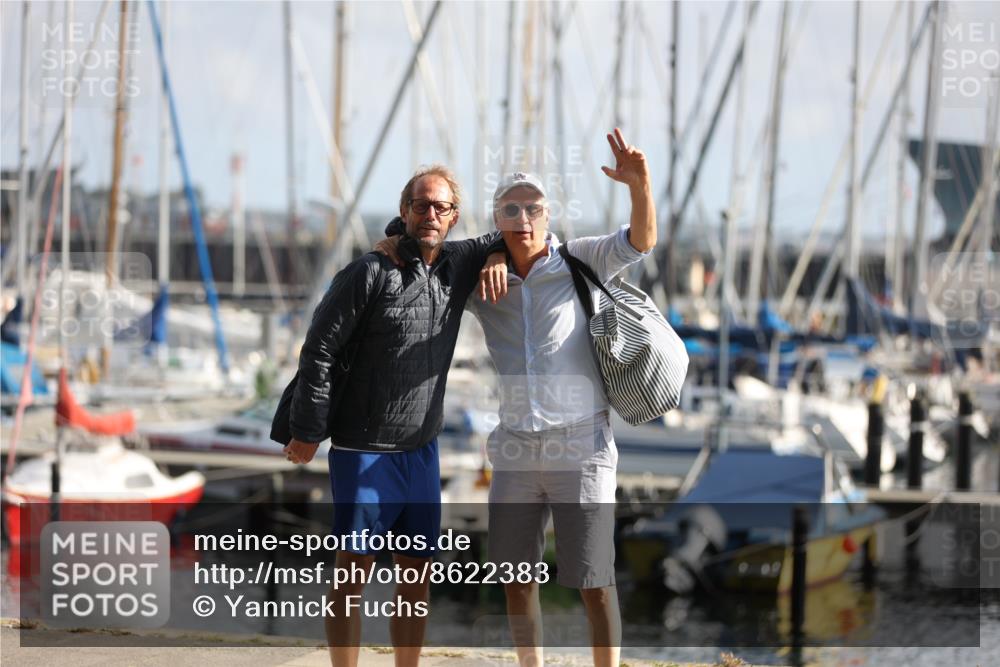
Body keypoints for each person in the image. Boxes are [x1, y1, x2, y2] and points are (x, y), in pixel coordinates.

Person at [379, 128, 656, 667]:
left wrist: (640, 186)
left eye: (533, 208)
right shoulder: (484, 277)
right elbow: (428, 242)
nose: (523, 219)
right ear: (498, 221)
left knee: (594, 580)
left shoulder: (581, 259)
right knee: (514, 578)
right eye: (511, 210)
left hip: (583, 445)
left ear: (547, 217)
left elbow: (641, 241)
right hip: (515, 450)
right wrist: (396, 238)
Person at [282, 164, 507, 667]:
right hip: (365, 450)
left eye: (441, 207)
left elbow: (517, 228)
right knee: (351, 574)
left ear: (453, 217)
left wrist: (494, 253)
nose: (430, 214)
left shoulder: (459, 262)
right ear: (404, 212)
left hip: (422, 452)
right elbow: (318, 349)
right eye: (421, 205)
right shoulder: (369, 271)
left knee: (416, 575)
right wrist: (307, 430)